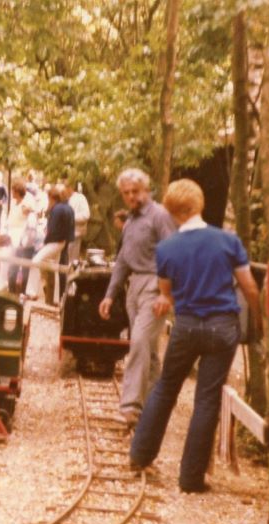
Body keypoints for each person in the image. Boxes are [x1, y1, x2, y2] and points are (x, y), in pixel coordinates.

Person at [128, 179, 261, 493]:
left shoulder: (166, 249)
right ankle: (190, 478)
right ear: (200, 204)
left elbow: (167, 293)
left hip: (186, 326)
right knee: (207, 399)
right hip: (222, 327)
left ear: (172, 212)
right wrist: (258, 320)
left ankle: (140, 455)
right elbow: (250, 287)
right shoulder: (228, 241)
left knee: (165, 388)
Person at [99, 168, 176, 423]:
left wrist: (167, 293)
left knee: (140, 342)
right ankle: (154, 406)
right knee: (149, 351)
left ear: (146, 189)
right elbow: (122, 259)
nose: (132, 196)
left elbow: (172, 253)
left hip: (155, 284)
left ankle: (131, 406)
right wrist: (110, 294)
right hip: (134, 287)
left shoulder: (159, 216)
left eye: (136, 191)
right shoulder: (130, 221)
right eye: (127, 193)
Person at [24, 185, 74, 304]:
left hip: (55, 242)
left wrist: (45, 242)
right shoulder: (68, 208)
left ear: (52, 197)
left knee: (35, 261)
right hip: (63, 242)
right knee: (55, 268)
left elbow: (53, 229)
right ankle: (57, 298)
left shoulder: (56, 209)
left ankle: (31, 292)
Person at [7, 181, 38, 294]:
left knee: (19, 267)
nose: (11, 192)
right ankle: (11, 291)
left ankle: (21, 292)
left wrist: (30, 209)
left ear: (17, 192)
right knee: (12, 267)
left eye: (13, 190)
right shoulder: (15, 204)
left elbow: (30, 211)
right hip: (12, 238)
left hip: (20, 239)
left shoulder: (23, 205)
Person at [64, 182, 90, 264]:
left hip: (75, 234)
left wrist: (71, 217)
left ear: (70, 188)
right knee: (64, 261)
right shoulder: (65, 199)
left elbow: (86, 215)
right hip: (64, 235)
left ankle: (71, 275)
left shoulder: (80, 198)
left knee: (72, 261)